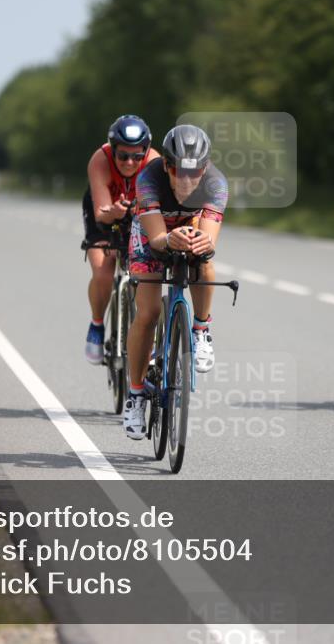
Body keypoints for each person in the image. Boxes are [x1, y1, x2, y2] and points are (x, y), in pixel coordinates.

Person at [122, 124, 228, 440]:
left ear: (205, 168)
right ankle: (136, 394)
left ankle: (200, 329)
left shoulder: (216, 184)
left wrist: (201, 244)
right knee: (149, 313)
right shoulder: (148, 180)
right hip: (153, 232)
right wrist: (169, 238)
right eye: (178, 170)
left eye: (195, 172)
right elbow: (155, 239)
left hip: (189, 225)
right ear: (166, 166)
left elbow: (210, 238)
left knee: (205, 261)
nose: (186, 180)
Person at [82, 115, 161, 364]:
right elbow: (101, 215)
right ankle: (97, 324)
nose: (130, 162)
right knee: (104, 271)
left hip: (140, 215)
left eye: (137, 156)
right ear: (113, 150)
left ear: (145, 152)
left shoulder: (155, 162)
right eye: (123, 155)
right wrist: (114, 212)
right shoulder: (100, 160)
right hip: (106, 213)